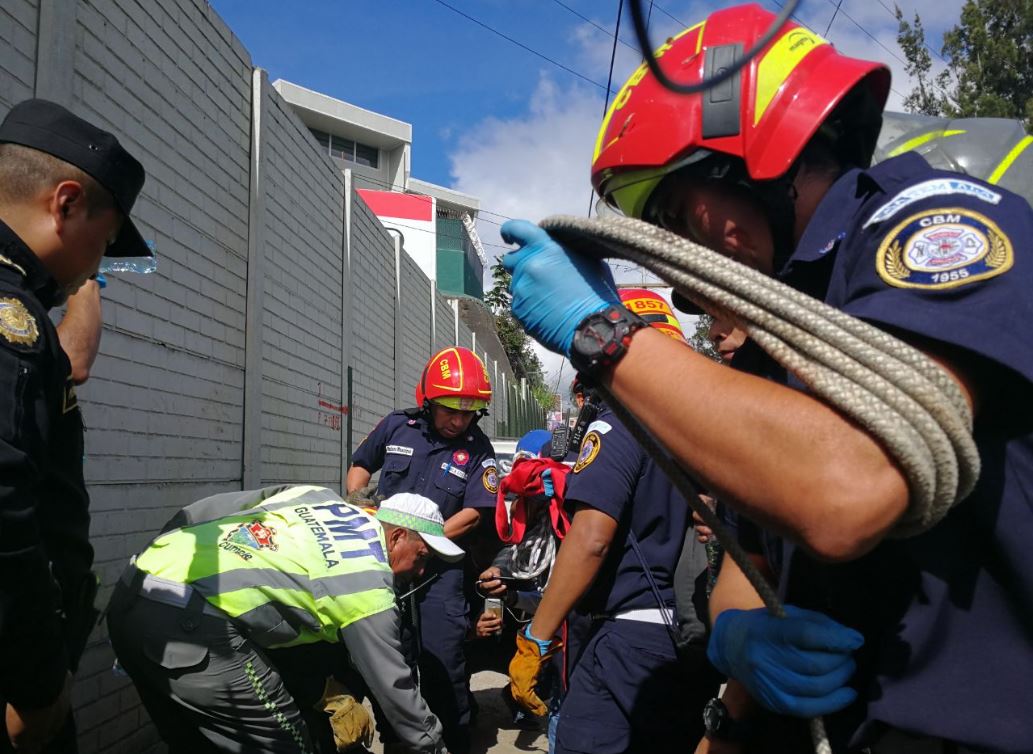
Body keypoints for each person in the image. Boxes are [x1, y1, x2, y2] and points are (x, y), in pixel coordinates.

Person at [499, 5, 1033, 752]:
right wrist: (736, 638)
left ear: (748, 163)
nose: (682, 277)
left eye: (676, 217)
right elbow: (753, 562)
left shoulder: (932, 223)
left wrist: (605, 335)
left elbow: (848, 488)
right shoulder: (778, 340)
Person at [0, 98, 151, 753]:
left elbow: (69, 364)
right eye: (108, 238)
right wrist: (35, 685)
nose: (103, 260)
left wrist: (75, 277)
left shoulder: (24, 309)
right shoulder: (12, 321)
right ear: (64, 204)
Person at [508, 293, 719, 754]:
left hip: (623, 641)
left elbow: (591, 538)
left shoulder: (618, 423)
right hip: (675, 635)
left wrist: (535, 638)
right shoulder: (689, 435)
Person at [107, 487, 453, 753]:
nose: (420, 572)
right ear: (396, 537)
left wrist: (157, 574)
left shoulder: (318, 498)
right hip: (191, 622)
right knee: (287, 743)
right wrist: (432, 746)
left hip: (137, 583)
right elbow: (394, 685)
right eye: (422, 558)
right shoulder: (368, 583)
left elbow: (206, 510)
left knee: (193, 744)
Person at [346, 346, 498, 754]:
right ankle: (398, 741)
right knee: (387, 658)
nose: (459, 420)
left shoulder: (479, 450)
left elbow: (474, 513)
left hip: (441, 573)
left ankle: (452, 741)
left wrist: (424, 543)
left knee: (442, 663)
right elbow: (360, 466)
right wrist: (359, 502)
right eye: (451, 410)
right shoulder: (398, 426)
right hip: (386, 565)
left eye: (469, 413)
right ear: (428, 401)